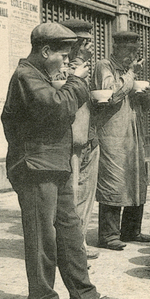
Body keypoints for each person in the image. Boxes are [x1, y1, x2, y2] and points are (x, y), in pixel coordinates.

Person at [1, 23, 120, 299]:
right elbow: (57, 108)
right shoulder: (25, 75)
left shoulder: (40, 74)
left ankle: (83, 294)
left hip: (55, 162)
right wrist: (77, 82)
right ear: (45, 51)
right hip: (34, 166)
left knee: (69, 231)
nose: (67, 63)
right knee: (42, 237)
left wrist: (66, 81)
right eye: (63, 56)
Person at [93, 31, 150, 250]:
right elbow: (111, 94)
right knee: (114, 179)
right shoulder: (104, 66)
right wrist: (130, 75)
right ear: (115, 49)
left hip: (134, 133)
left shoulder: (132, 71)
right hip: (112, 134)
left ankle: (131, 230)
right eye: (128, 51)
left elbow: (149, 104)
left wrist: (146, 96)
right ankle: (108, 235)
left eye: (135, 51)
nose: (132, 56)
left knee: (137, 179)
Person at [60, 19, 100, 260]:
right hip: (71, 143)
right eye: (83, 42)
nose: (88, 47)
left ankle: (79, 244)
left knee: (85, 198)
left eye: (89, 42)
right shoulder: (62, 70)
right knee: (71, 200)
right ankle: (70, 251)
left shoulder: (84, 69)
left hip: (88, 139)